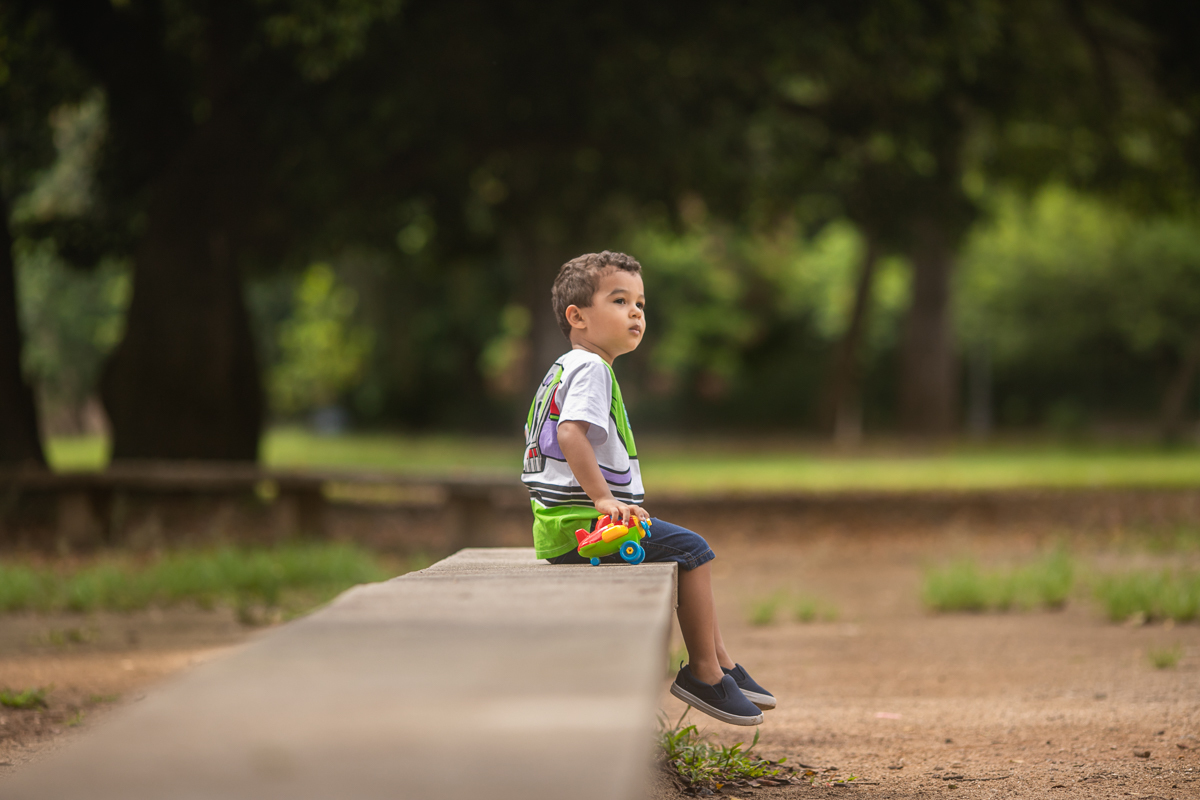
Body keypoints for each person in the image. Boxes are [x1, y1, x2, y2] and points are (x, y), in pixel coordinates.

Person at [521, 250, 774, 726]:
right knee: (694, 551)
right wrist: (602, 499)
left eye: (640, 303)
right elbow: (572, 433)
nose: (636, 312)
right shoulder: (591, 369)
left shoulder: (566, 367)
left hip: (560, 526)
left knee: (682, 547)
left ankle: (722, 662)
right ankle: (703, 673)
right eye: (620, 301)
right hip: (585, 527)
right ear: (577, 317)